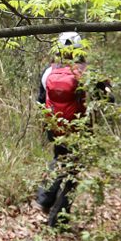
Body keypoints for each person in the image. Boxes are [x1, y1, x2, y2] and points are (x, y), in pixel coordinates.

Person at [33, 32, 113, 228]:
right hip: (79, 129)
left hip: (55, 128)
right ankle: (57, 221)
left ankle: (43, 199)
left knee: (60, 159)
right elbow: (109, 99)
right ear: (81, 49)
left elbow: (40, 101)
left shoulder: (48, 71)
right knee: (73, 171)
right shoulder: (88, 72)